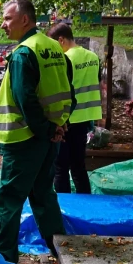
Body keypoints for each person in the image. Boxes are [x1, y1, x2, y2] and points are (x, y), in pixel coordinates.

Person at [0, 0, 73, 264]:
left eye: (7, 19)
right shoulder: (53, 47)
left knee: (7, 200)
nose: (2, 24)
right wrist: (58, 127)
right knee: (43, 196)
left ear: (24, 19)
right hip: (50, 138)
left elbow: (26, 99)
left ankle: (3, 262)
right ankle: (64, 257)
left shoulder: (24, 53)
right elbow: (68, 90)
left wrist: (46, 129)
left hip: (25, 138)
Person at [48, 22, 102, 194]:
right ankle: (85, 205)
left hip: (67, 119)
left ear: (61, 40)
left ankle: (64, 208)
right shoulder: (93, 57)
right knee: (79, 166)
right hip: (85, 118)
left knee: (60, 168)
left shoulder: (64, 59)